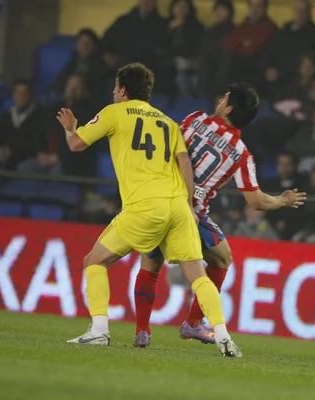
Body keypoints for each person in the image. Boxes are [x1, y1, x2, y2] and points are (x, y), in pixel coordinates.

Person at [57, 63, 242, 357]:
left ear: (122, 90)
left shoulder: (113, 112)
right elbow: (184, 163)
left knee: (94, 261)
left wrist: (70, 130)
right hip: (179, 206)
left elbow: (77, 144)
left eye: (115, 88)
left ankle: (99, 331)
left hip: (144, 205)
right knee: (198, 276)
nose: (113, 92)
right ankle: (223, 336)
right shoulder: (168, 122)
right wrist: (190, 204)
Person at [132, 83, 307, 348]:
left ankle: (142, 332)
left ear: (229, 108)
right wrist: (282, 200)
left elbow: (167, 148)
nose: (219, 100)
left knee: (151, 264)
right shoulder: (241, 152)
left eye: (224, 98)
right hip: (192, 213)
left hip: (160, 199)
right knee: (222, 258)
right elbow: (255, 201)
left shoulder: (195, 118)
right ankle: (192, 323)